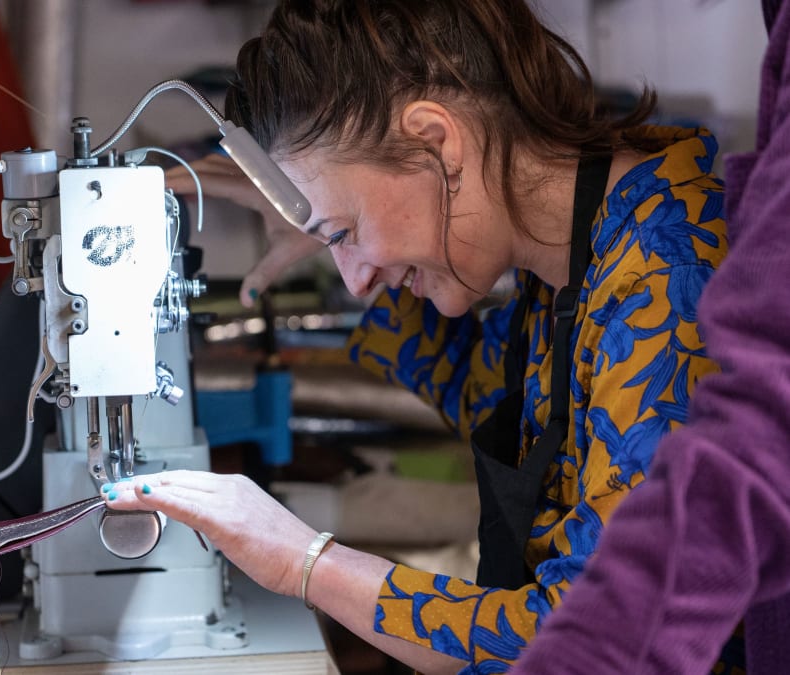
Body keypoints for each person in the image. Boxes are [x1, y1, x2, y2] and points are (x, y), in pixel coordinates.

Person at [102, 1, 735, 672]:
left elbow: (587, 638)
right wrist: (315, 229)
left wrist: (305, 563)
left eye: (345, 233)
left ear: (436, 141)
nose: (352, 280)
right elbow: (485, 395)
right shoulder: (569, 257)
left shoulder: (669, 281)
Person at [507, 1, 790, 673]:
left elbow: (764, 431)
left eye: (343, 229)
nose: (352, 265)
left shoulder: (662, 259)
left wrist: (308, 565)